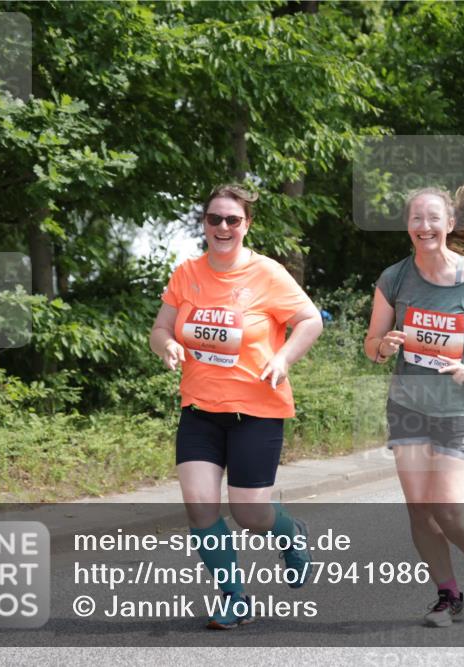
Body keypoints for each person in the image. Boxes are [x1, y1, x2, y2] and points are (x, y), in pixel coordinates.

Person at [149, 184, 323, 629]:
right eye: (214, 219)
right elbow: (161, 328)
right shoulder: (186, 273)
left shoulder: (267, 273)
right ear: (204, 224)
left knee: (249, 514)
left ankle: (289, 531)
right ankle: (234, 596)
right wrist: (167, 345)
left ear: (246, 225)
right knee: (200, 507)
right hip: (199, 410)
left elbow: (310, 320)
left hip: (256, 411)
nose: (223, 227)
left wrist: (283, 358)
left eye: (232, 220)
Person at [364, 176, 464, 627]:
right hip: (409, 403)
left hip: (460, 406)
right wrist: (384, 345)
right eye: (417, 218)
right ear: (408, 226)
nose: (425, 225)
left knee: (446, 506)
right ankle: (447, 596)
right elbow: (371, 344)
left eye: (434, 217)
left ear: (450, 222)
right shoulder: (394, 278)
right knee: (419, 509)